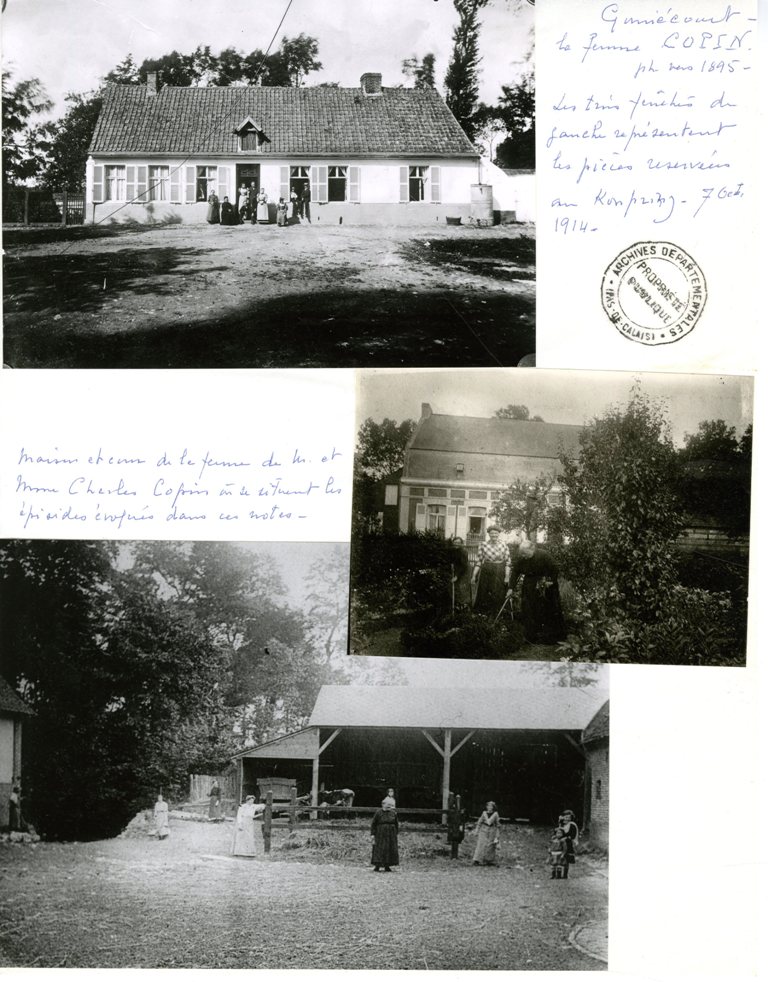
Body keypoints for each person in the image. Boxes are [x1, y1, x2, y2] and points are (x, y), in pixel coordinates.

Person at [508, 540, 565, 643]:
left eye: (525, 553)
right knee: (529, 608)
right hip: (529, 584)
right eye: (522, 554)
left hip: (546, 584)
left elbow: (555, 568)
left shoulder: (544, 555)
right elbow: (515, 572)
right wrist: (511, 588)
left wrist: (550, 581)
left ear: (532, 549)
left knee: (547, 609)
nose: (523, 556)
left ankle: (551, 637)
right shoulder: (522, 558)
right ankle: (531, 636)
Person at [472, 528, 511, 616]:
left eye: (496, 533)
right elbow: (479, 561)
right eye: (492, 533)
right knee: (483, 591)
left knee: (498, 591)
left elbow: (508, 562)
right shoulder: (483, 544)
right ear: (489, 534)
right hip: (486, 569)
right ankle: (482, 614)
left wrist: (507, 576)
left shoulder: (503, 545)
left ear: (499, 534)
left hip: (499, 570)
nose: (494, 535)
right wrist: (474, 575)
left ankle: (497, 614)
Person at [370, 798, 399, 872]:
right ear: (383, 804)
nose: (389, 806)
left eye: (390, 805)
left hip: (391, 834)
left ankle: (387, 866)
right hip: (380, 833)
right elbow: (373, 824)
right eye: (388, 804)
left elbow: (396, 824)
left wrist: (395, 833)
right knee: (379, 849)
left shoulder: (393, 813)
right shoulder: (378, 812)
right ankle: (377, 866)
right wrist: (373, 834)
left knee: (389, 849)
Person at [472, 801, 500, 866]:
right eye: (488, 806)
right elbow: (479, 822)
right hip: (484, 829)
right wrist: (477, 830)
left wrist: (497, 834)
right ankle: (477, 860)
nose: (489, 807)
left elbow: (498, 824)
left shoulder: (495, 814)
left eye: (491, 806)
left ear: (493, 807)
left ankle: (489, 860)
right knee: (481, 844)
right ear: (486, 807)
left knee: (490, 845)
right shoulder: (484, 813)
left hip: (492, 830)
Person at [450, 536, 472, 610]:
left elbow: (463, 566)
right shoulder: (453, 550)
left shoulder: (463, 552)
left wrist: (456, 576)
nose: (456, 544)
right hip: (457, 569)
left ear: (462, 543)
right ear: (453, 543)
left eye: (458, 543)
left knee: (462, 587)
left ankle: (465, 606)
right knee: (456, 587)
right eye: (455, 542)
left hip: (464, 570)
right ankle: (458, 605)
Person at [446, 792, 466, 860]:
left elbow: (462, 818)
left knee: (459, 833)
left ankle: (455, 854)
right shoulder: (451, 809)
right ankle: (453, 854)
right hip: (453, 823)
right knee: (453, 833)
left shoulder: (460, 809)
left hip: (458, 822)